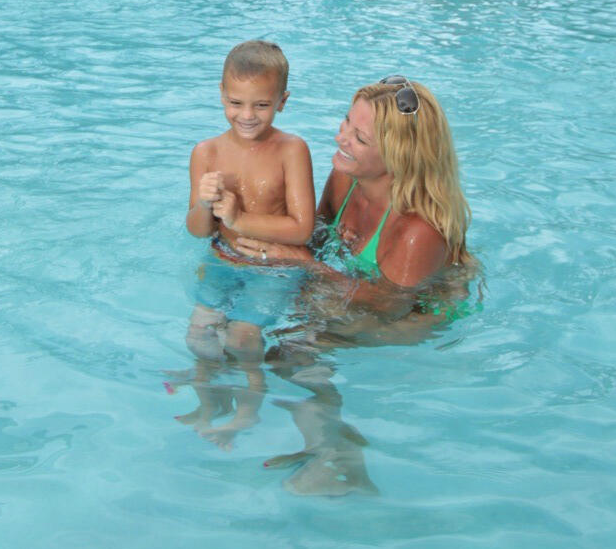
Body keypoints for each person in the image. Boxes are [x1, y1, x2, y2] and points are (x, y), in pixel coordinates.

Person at [233, 75, 471, 303]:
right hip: (353, 294)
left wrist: (305, 263)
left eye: (360, 139)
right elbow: (316, 237)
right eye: (347, 120)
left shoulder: (418, 231)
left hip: (416, 321)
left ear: (398, 159)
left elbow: (388, 309)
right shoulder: (345, 177)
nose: (340, 138)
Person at [186, 41, 315, 359]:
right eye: (235, 102)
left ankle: (249, 404)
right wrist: (204, 205)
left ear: (282, 101)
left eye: (261, 105)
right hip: (223, 260)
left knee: (241, 337)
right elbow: (199, 231)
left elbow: (303, 230)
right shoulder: (206, 152)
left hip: (273, 267)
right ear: (221, 94)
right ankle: (209, 397)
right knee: (198, 337)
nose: (246, 115)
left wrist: (239, 220)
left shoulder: (291, 150)